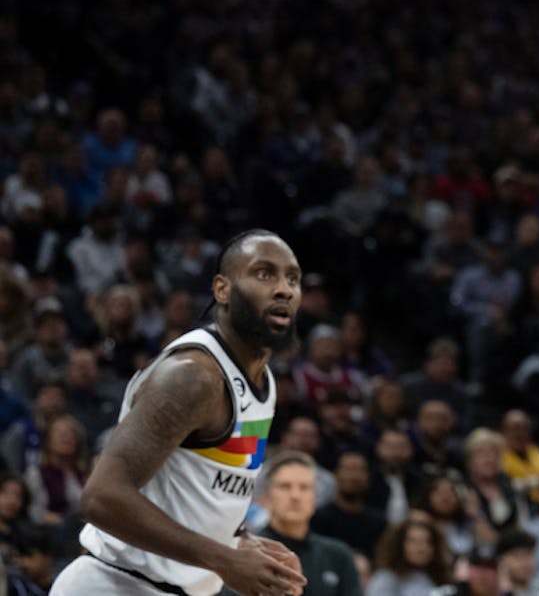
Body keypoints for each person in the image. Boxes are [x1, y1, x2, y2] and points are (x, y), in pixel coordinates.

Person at [51, 228, 308, 596]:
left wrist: (239, 543)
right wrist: (223, 559)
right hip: (114, 584)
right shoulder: (194, 376)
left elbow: (195, 493)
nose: (284, 288)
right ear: (222, 289)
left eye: (293, 278)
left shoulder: (261, 380)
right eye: (264, 274)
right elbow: (101, 497)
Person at [258, 450, 362, 596]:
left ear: (315, 499)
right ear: (266, 497)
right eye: (285, 486)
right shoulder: (248, 553)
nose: (295, 496)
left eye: (304, 487)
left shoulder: (338, 555)